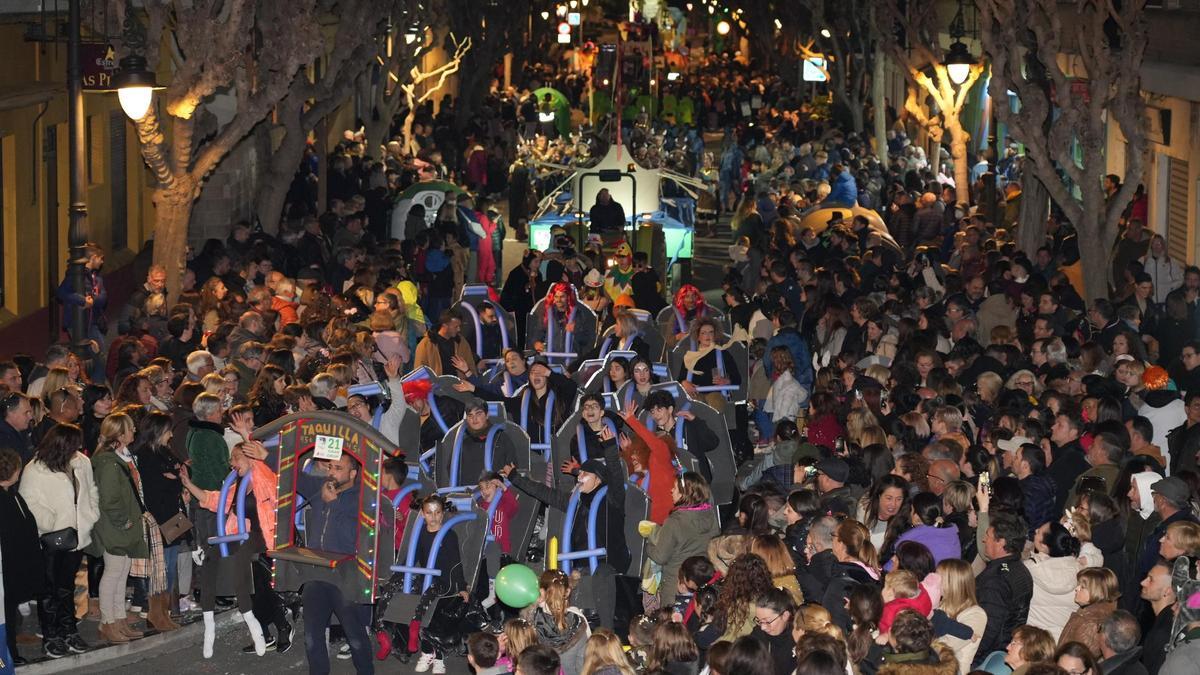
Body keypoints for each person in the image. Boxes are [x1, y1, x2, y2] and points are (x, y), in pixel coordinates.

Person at [500, 435, 628, 630]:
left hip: (608, 564)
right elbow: (543, 492)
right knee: (555, 583)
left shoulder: (611, 499)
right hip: (581, 565)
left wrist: (610, 446)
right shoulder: (574, 501)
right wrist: (515, 477)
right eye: (579, 474)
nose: (579, 477)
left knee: (600, 577)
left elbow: (617, 478)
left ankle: (607, 633)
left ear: (598, 479)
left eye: (585, 474)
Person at [19, 424, 99, 659]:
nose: (78, 448)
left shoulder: (81, 462)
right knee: (48, 590)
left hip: (77, 535)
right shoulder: (36, 469)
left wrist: (91, 514)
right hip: (51, 539)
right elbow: (29, 503)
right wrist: (52, 523)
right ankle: (51, 636)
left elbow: (91, 490)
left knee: (67, 587)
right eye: (74, 444)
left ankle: (69, 630)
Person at [296, 453, 374, 674]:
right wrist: (263, 452)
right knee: (312, 637)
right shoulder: (321, 486)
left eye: (338, 468)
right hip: (316, 573)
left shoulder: (363, 497)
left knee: (355, 635)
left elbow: (355, 536)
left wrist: (335, 504)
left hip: (345, 575)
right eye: (330, 467)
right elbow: (289, 473)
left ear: (352, 473)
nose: (331, 472)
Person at [90, 412, 149, 644]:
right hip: (114, 527)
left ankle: (119, 618)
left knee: (121, 573)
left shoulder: (119, 457)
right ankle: (108, 622)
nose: (134, 431)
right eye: (131, 428)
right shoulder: (108, 462)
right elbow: (110, 499)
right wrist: (124, 521)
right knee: (113, 573)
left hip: (122, 526)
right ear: (120, 434)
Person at [645, 472, 720, 609]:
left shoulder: (674, 522)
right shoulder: (711, 515)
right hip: (702, 582)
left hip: (677, 586)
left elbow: (660, 557)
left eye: (675, 488)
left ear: (685, 494)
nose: (671, 490)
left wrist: (648, 544)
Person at [0, 447, 44, 666]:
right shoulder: (6, 499)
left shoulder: (11, 494)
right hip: (8, 568)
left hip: (15, 566)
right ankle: (8, 654)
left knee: (9, 611)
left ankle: (10, 649)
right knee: (5, 612)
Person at [974, 511, 1033, 666]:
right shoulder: (1021, 570)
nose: (983, 539)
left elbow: (988, 626)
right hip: (1001, 651)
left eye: (988, 535)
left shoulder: (995, 580)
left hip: (985, 656)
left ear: (1001, 542)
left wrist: (972, 653)